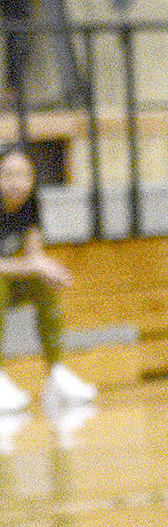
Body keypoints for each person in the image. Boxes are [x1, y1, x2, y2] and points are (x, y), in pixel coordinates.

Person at [0, 147, 96, 415]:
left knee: (44, 283)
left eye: (23, 175)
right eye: (8, 174)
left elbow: (34, 255)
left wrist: (48, 268)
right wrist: (32, 265)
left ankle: (56, 374)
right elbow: (28, 264)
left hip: (8, 275)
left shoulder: (30, 203)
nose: (16, 182)